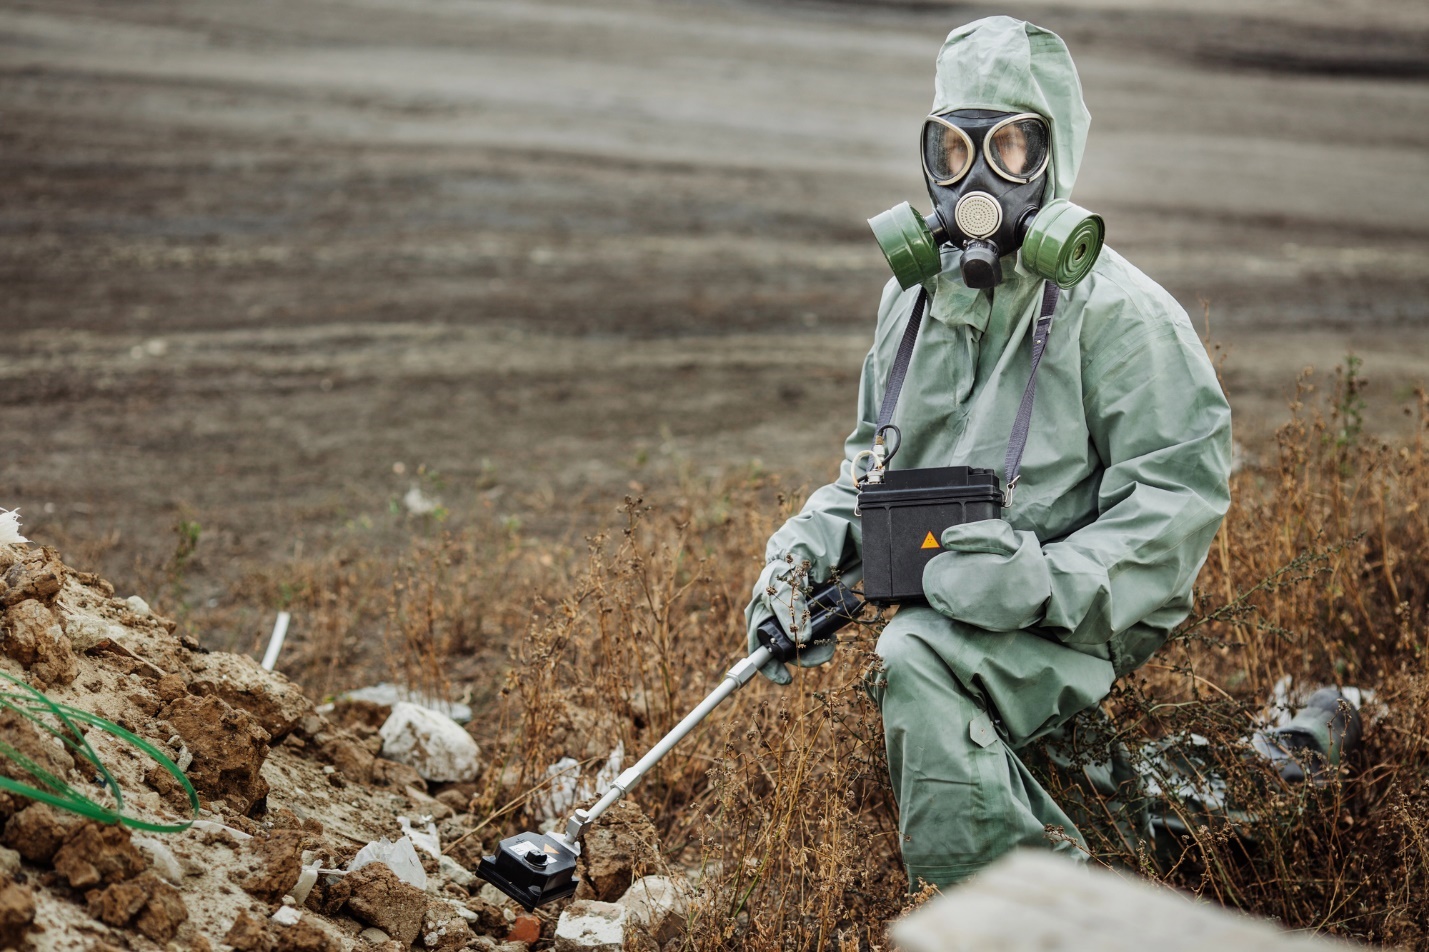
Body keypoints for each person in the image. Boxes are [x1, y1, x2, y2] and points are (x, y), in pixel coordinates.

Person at [743, 17, 1233, 889]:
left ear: (1054, 154)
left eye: (1010, 147)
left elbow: (1177, 500)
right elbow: (871, 469)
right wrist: (808, 544)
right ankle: (1099, 826)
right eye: (951, 148)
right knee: (971, 685)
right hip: (956, 596)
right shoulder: (913, 306)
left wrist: (1044, 582)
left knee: (914, 656)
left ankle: (1029, 914)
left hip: (1077, 615)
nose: (976, 180)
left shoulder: (1121, 315)